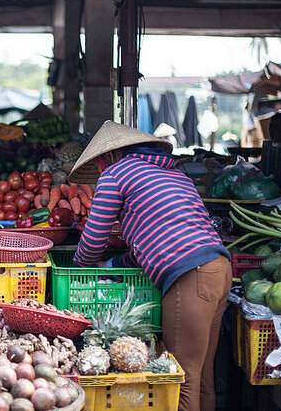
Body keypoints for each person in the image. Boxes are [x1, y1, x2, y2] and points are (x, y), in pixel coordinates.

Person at [68, 121, 230, 411]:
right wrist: (114, 263)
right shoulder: (176, 176)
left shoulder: (116, 174)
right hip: (218, 269)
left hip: (190, 276)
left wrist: (81, 266)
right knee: (203, 375)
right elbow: (155, 242)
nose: (101, 170)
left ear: (107, 157)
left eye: (101, 164)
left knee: (181, 380)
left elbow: (93, 239)